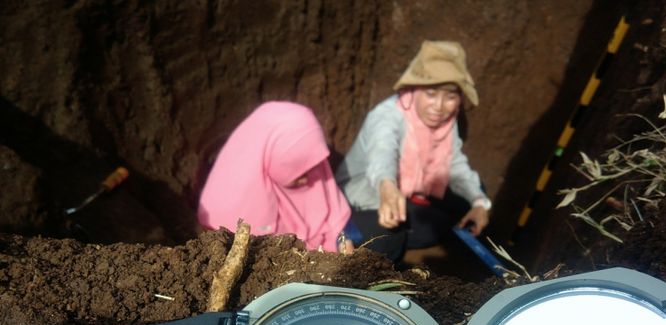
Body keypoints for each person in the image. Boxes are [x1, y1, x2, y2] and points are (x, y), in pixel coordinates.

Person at [335, 40, 492, 262]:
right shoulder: (387, 116)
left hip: (409, 192)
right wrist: (387, 187)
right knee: (389, 237)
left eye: (450, 96)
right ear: (415, 89)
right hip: (365, 196)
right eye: (431, 93)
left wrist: (479, 202)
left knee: (470, 198)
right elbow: (382, 156)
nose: (439, 106)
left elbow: (454, 165)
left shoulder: (446, 121)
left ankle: (410, 226)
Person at [197, 101, 353, 253]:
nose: (307, 180)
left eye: (308, 169)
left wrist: (343, 240)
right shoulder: (225, 209)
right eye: (298, 171)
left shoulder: (313, 167)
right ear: (274, 157)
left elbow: (335, 221)